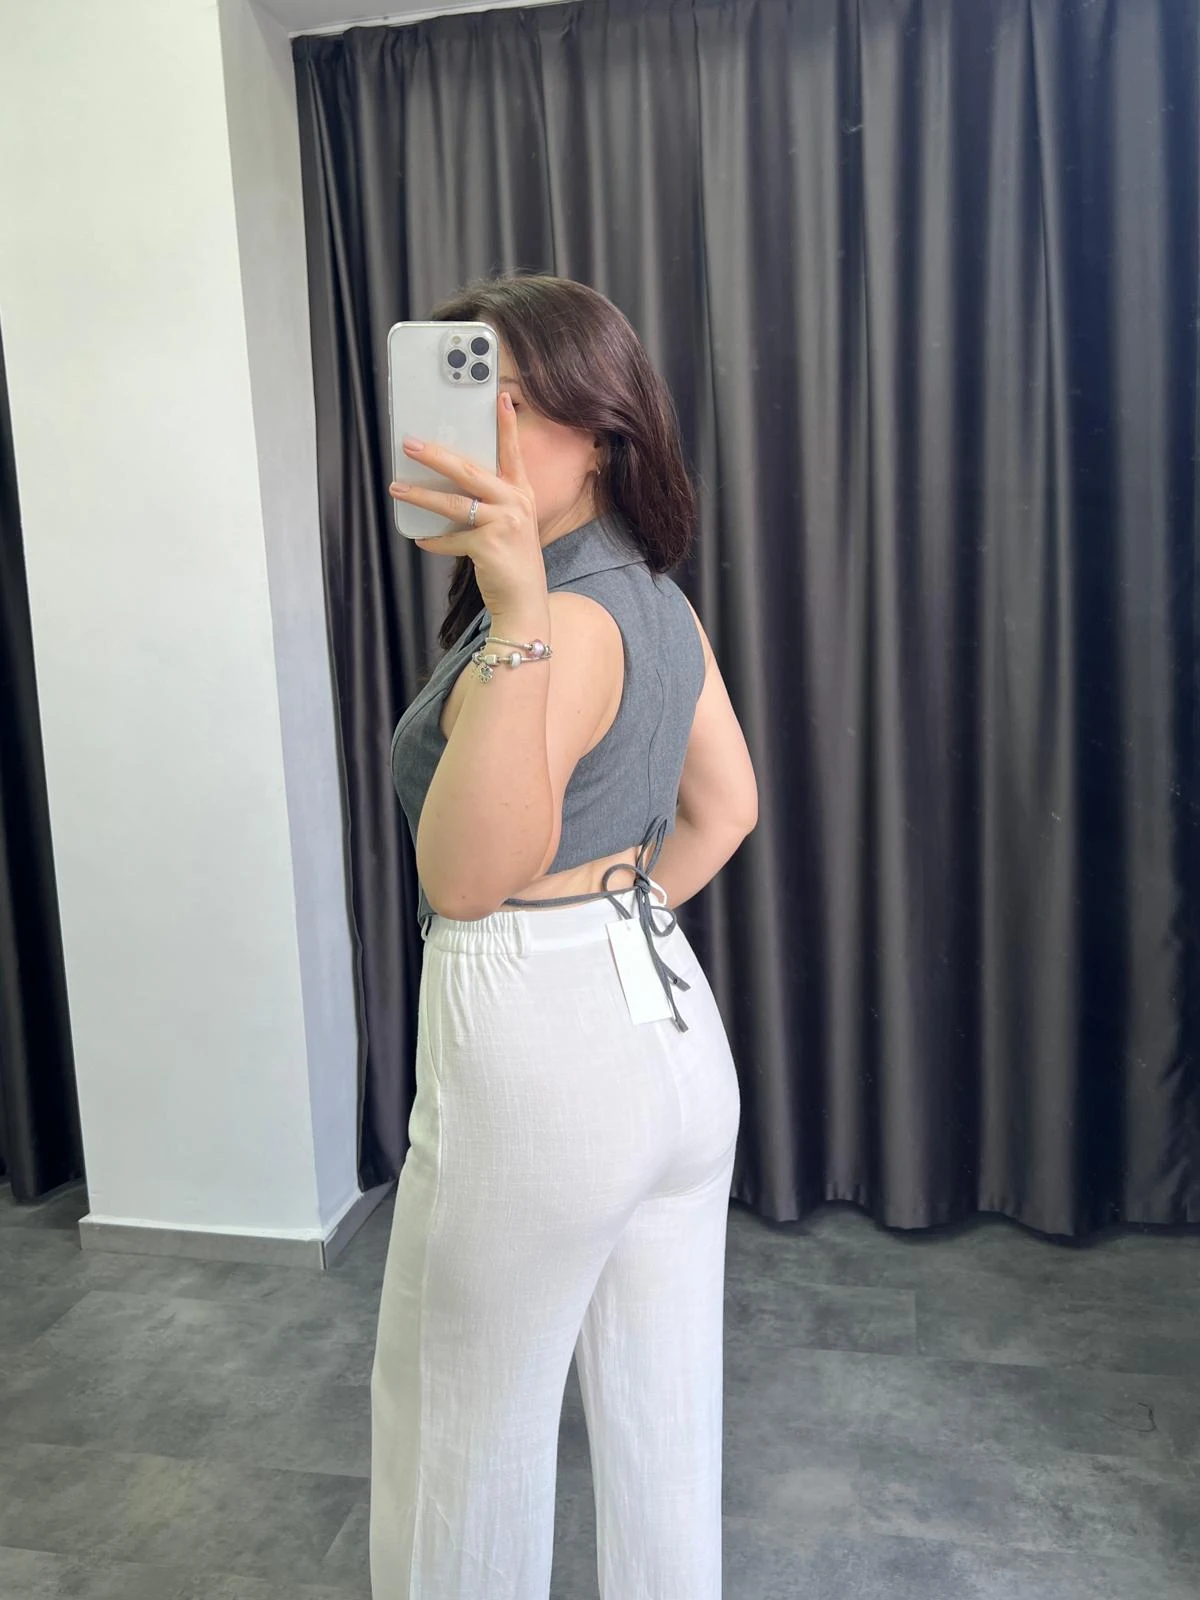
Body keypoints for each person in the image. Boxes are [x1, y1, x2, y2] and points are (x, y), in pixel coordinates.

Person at [371, 273, 759, 1600]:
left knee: (458, 1440)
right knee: (663, 1437)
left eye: (518, 406)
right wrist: (613, 924)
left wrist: (521, 618)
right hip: (669, 1033)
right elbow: (727, 810)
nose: (484, 436)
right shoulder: (656, 596)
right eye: (470, 396)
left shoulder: (561, 620)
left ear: (602, 433)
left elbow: (467, 879)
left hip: (537, 1060)